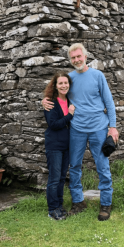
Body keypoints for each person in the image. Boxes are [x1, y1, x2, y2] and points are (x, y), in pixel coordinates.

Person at [42, 43, 119, 221]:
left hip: (99, 128)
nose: (76, 60)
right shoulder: (68, 78)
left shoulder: (97, 75)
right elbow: (55, 91)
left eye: (79, 56)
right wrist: (44, 100)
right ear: (70, 60)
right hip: (76, 129)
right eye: (73, 58)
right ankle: (78, 202)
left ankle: (105, 203)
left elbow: (109, 102)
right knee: (74, 167)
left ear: (85, 56)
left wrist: (112, 127)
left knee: (102, 166)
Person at [43, 72, 76, 220]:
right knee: (54, 178)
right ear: (55, 85)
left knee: (62, 177)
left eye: (66, 83)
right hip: (54, 145)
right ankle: (52, 209)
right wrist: (69, 115)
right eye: (60, 83)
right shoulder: (50, 101)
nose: (64, 85)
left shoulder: (70, 100)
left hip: (67, 145)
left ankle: (59, 206)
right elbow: (53, 124)